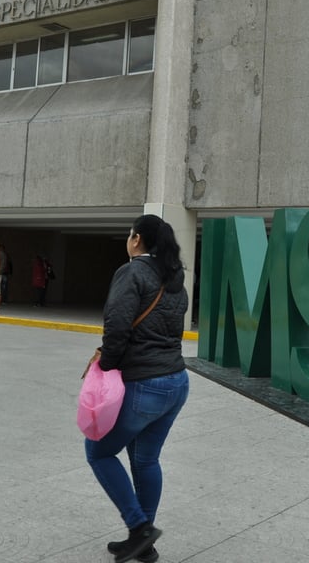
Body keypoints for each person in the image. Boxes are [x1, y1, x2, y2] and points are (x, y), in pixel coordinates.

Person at [85, 214, 189, 563]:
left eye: (130, 235)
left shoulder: (132, 272)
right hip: (176, 381)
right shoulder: (174, 277)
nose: (128, 240)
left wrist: (108, 366)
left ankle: (138, 527)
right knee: (146, 458)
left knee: (98, 452)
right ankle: (142, 539)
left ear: (138, 239)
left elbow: (116, 325)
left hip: (145, 384)